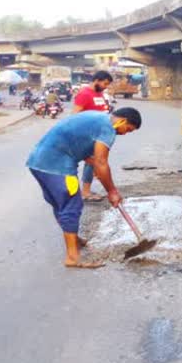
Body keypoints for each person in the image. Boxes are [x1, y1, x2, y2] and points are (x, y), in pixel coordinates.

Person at [26, 108, 142, 269]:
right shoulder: (108, 128)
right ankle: (72, 258)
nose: (125, 133)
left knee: (60, 204)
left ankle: (75, 239)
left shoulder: (98, 118)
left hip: (37, 162)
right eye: (128, 129)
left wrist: (97, 167)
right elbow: (102, 162)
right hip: (57, 167)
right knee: (72, 205)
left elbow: (83, 149)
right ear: (122, 120)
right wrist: (112, 192)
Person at [73, 71, 113, 202]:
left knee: (92, 163)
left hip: (97, 134)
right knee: (92, 162)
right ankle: (84, 192)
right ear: (97, 80)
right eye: (105, 83)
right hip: (87, 134)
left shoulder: (99, 93)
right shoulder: (84, 94)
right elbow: (75, 115)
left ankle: (86, 190)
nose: (105, 86)